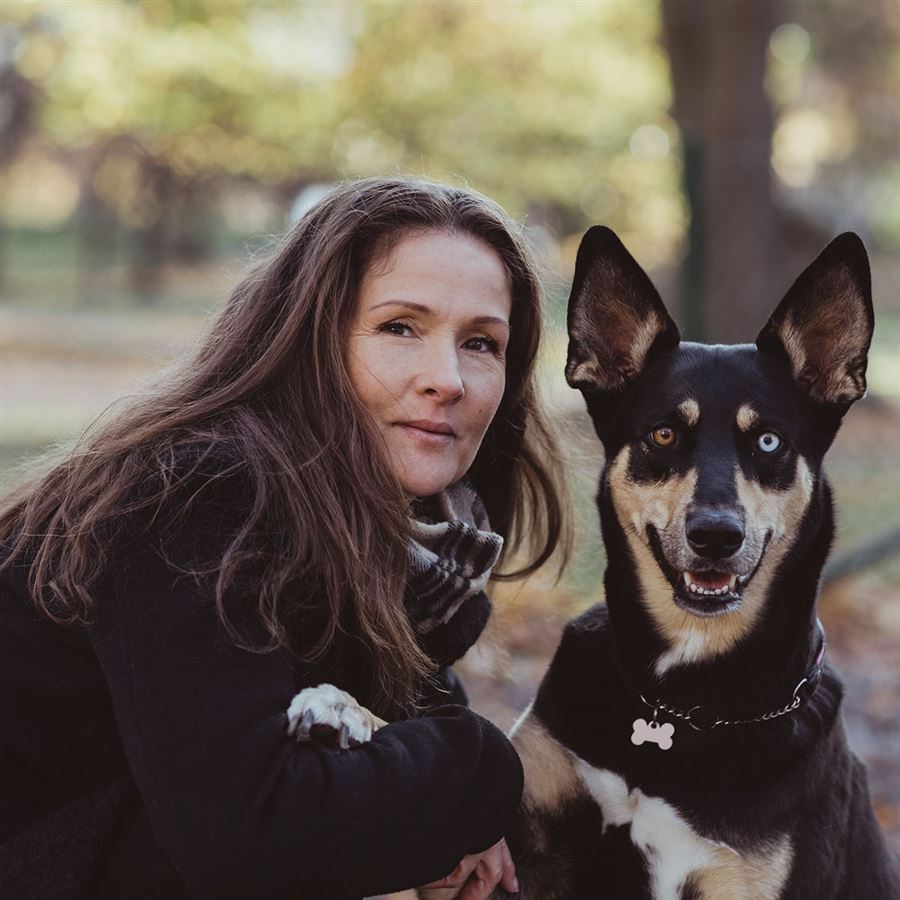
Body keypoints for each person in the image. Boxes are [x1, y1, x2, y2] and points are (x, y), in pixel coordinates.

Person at [0, 177, 570, 899]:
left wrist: (446, 805)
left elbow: (406, 715)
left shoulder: (399, 543)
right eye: (399, 327)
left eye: (481, 343)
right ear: (309, 339)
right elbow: (248, 834)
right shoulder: (200, 497)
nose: (447, 378)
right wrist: (480, 770)